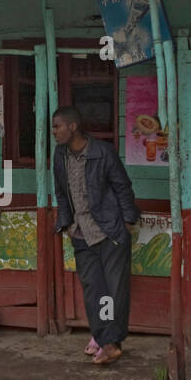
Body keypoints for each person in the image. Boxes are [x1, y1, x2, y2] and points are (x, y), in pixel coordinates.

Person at [52, 106, 139, 365]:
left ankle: (110, 341)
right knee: (95, 292)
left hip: (109, 231)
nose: (54, 132)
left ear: (73, 127)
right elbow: (60, 192)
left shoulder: (102, 152)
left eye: (57, 126)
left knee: (115, 292)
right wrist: (67, 224)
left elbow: (123, 187)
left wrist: (126, 222)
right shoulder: (60, 155)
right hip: (81, 234)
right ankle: (104, 338)